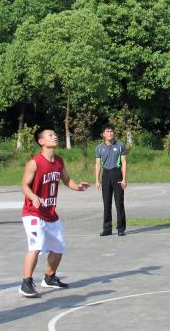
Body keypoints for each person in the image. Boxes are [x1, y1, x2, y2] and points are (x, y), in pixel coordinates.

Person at [19, 128, 90, 298]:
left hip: (50, 213)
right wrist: (33, 196)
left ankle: (49, 277)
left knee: (59, 247)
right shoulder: (34, 163)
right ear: (41, 141)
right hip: (33, 213)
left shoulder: (58, 161)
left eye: (55, 134)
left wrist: (78, 187)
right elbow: (24, 185)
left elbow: (67, 180)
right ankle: (26, 283)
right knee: (35, 246)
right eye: (50, 135)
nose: (55, 136)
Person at [95, 125, 127, 236]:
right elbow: (98, 164)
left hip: (117, 173)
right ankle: (107, 229)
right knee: (107, 203)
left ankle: (121, 229)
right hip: (106, 175)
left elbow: (124, 162)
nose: (110, 133)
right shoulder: (99, 148)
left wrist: (124, 179)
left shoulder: (120, 145)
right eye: (107, 131)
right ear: (103, 134)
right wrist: (97, 180)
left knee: (119, 202)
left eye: (111, 131)